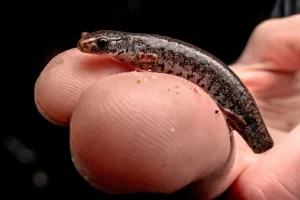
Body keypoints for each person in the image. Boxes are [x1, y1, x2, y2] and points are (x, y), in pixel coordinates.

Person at [34, 14, 300, 199]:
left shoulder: (139, 51)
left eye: (101, 45)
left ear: (120, 44)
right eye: (89, 41)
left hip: (232, 90)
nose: (89, 47)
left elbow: (148, 61)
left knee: (250, 133)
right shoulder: (130, 50)